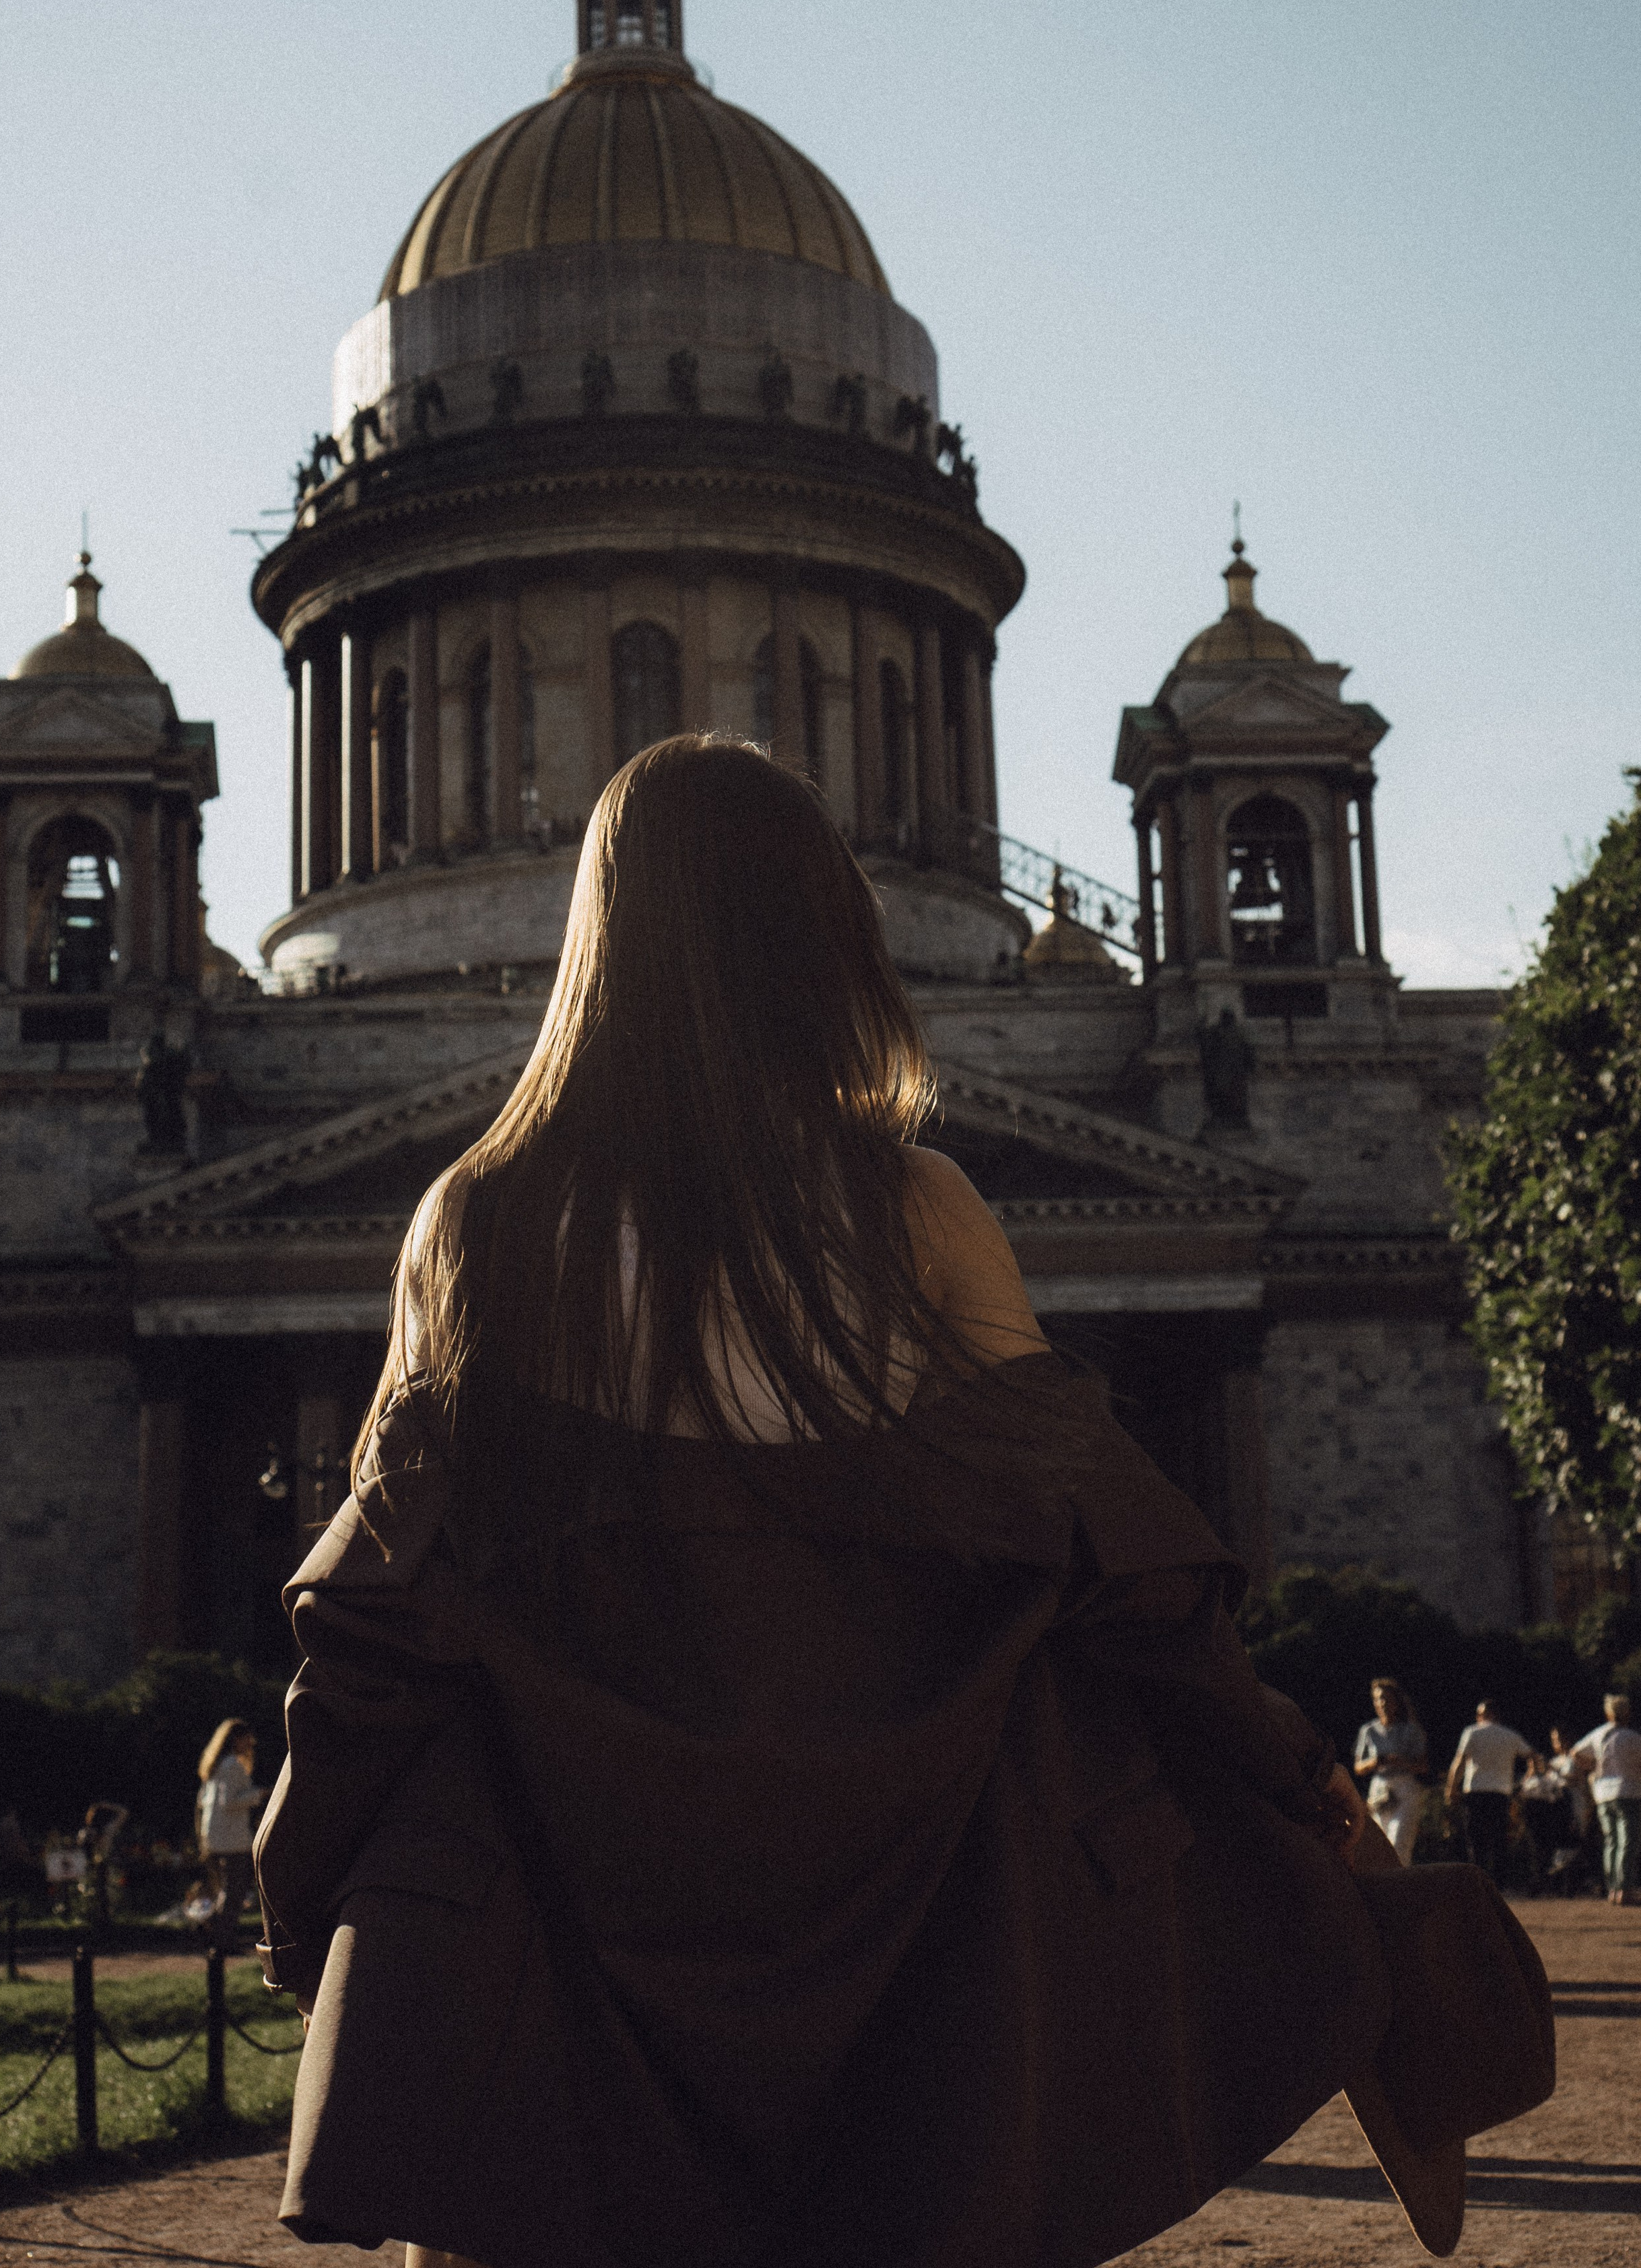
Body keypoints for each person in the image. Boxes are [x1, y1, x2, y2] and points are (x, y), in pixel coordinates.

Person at [255, 737, 1395, 2268]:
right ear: (828, 938)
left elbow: (378, 1619)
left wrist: (302, 1874)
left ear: (597, 937)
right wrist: (1278, 1769)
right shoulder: (918, 1210)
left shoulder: (477, 1218)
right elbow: (1118, 1565)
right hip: (909, 1956)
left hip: (562, 1975)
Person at [1445, 1702, 1537, 1888]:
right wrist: (1527, 1778)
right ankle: (1499, 1884)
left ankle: (1478, 1882)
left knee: (1476, 1840)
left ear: (1482, 1715)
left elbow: (1460, 1761)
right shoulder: (1510, 1735)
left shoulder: (1472, 1732)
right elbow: (1532, 1755)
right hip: (1501, 1793)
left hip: (1475, 1792)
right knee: (1499, 1839)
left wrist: (1451, 1788)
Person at [197, 1719, 267, 1952]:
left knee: (229, 1890)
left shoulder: (216, 1767)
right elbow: (229, 1803)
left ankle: (215, 1934)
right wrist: (259, 1794)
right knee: (234, 1891)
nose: (250, 1744)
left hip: (217, 1837)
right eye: (247, 1739)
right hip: (231, 1839)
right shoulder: (232, 1766)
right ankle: (222, 1939)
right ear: (236, 1739)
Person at [1570, 1693, 1641, 1904]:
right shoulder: (1633, 1738)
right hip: (1628, 1792)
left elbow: (1575, 1752)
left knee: (1611, 1842)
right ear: (1627, 1713)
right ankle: (1625, 1889)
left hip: (1602, 1794)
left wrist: (1591, 1766)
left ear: (1608, 1713)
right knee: (1628, 1841)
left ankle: (1612, 1889)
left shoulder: (1599, 1734)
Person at [1352, 1679, 1430, 1865]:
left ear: (1396, 1702)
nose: (1383, 1703)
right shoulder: (1369, 1731)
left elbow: (1424, 1765)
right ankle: (1385, 1888)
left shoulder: (1411, 1730)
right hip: (1379, 1788)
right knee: (1380, 1844)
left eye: (1387, 1698)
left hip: (1404, 1787)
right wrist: (1375, 1762)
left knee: (1399, 1843)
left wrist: (1399, 1761)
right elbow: (1358, 1767)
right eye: (1379, 1699)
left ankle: (1402, 1888)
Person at [1519, 1728, 1588, 1896]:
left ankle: (1577, 1885)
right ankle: (1557, 1886)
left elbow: (1573, 1780)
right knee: (1557, 1848)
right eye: (1554, 1740)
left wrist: (1553, 1769)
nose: (1557, 1744)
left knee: (1575, 1846)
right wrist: (1534, 1771)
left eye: (1560, 1739)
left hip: (1574, 1806)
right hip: (1556, 1809)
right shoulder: (1555, 1761)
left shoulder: (1573, 1759)